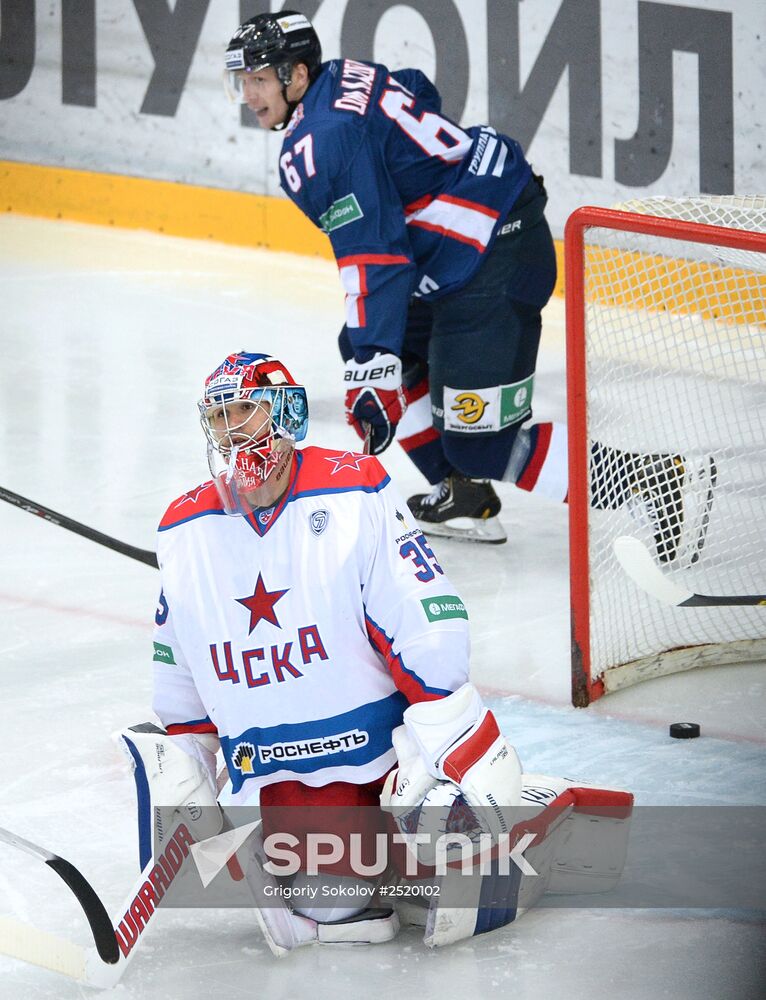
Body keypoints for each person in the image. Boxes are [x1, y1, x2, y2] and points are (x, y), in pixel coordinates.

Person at [118, 350, 633, 955]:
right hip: (293, 768)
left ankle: (538, 817)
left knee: (455, 860)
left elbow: (421, 614)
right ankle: (382, 864)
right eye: (220, 420)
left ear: (285, 416)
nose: (233, 436)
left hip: (391, 752)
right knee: (333, 905)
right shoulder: (186, 530)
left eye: (247, 416)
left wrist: (450, 740)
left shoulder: (350, 489)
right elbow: (178, 658)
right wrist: (189, 752)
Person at [223, 11, 560, 544]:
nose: (249, 93)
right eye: (243, 80)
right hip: (481, 233)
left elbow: (374, 255)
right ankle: (462, 493)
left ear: (298, 77)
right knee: (358, 344)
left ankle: (649, 482)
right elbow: (417, 90)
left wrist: (378, 362)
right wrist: (374, 355)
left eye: (260, 79)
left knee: (484, 442)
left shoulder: (319, 143)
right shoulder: (342, 76)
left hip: (493, 254)